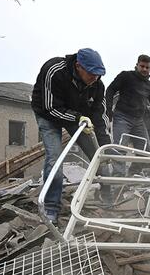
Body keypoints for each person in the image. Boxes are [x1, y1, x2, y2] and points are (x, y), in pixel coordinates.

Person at [31, 48, 111, 223]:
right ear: (78, 66)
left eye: (98, 75)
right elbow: (50, 107)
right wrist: (77, 117)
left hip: (78, 115)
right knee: (55, 158)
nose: (95, 79)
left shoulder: (97, 84)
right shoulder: (54, 71)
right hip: (48, 113)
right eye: (91, 74)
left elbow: (99, 116)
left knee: (98, 154)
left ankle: (107, 194)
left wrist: (105, 146)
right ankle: (51, 207)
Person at [106, 54, 150, 175]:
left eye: (147, 67)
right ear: (137, 65)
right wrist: (108, 110)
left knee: (145, 149)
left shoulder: (149, 86)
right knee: (120, 148)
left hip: (139, 120)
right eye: (142, 66)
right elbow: (110, 90)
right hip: (122, 117)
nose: (144, 69)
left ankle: (136, 173)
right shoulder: (126, 76)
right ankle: (118, 178)